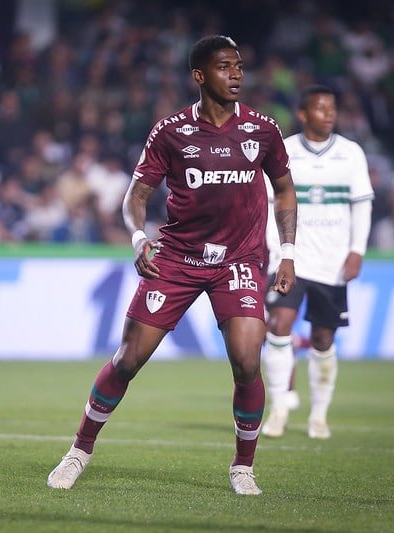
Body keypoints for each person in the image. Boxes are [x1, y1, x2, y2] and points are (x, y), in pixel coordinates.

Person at [47, 35, 297, 496]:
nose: (236, 74)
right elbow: (136, 195)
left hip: (239, 260)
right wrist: (140, 237)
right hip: (177, 259)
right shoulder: (171, 131)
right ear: (199, 76)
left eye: (239, 66)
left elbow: (284, 188)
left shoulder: (262, 129)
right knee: (128, 360)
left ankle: (243, 467)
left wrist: (288, 251)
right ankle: (79, 451)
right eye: (225, 67)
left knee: (247, 361)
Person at [261, 85, 373, 440]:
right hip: (291, 259)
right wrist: (277, 253)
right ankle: (279, 408)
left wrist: (357, 250)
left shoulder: (351, 153)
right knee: (278, 325)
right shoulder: (286, 151)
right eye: (321, 108)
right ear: (303, 114)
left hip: (333, 262)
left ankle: (319, 415)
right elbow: (269, 206)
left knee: (323, 338)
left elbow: (362, 205)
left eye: (333, 108)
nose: (329, 114)